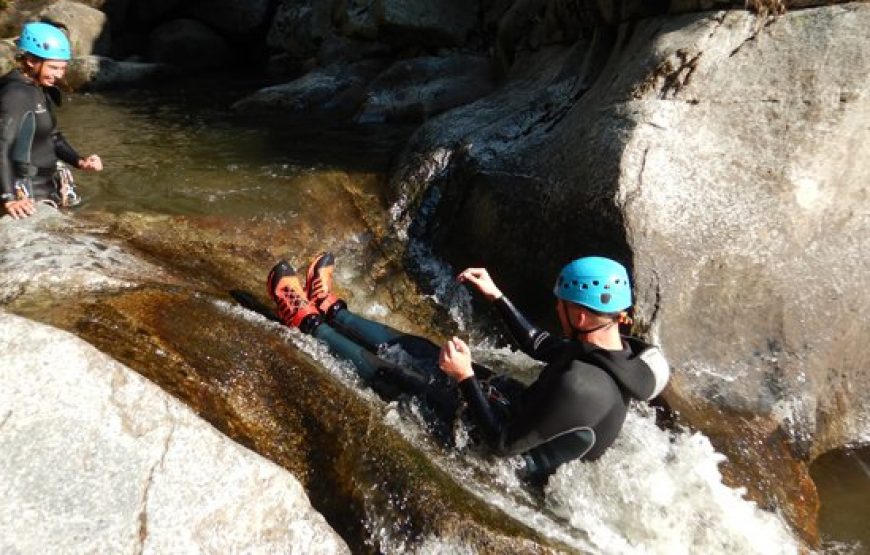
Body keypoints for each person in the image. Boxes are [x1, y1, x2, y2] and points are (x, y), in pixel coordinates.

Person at [267, 253, 670, 483]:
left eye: (561, 304)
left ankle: (305, 320)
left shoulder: (581, 383)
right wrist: (497, 297)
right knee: (421, 349)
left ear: (581, 317)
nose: (556, 310)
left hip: (502, 453)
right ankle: (334, 311)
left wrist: (465, 378)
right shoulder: (616, 349)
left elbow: (499, 444)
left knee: (396, 376)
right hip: (519, 411)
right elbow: (543, 345)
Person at [1, 21, 103, 219]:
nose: (59, 75)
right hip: (25, 192)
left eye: (63, 68)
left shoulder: (38, 87)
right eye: (54, 67)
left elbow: (53, 137)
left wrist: (80, 161)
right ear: (31, 60)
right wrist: (9, 197)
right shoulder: (15, 94)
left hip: (48, 185)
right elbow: (1, 147)